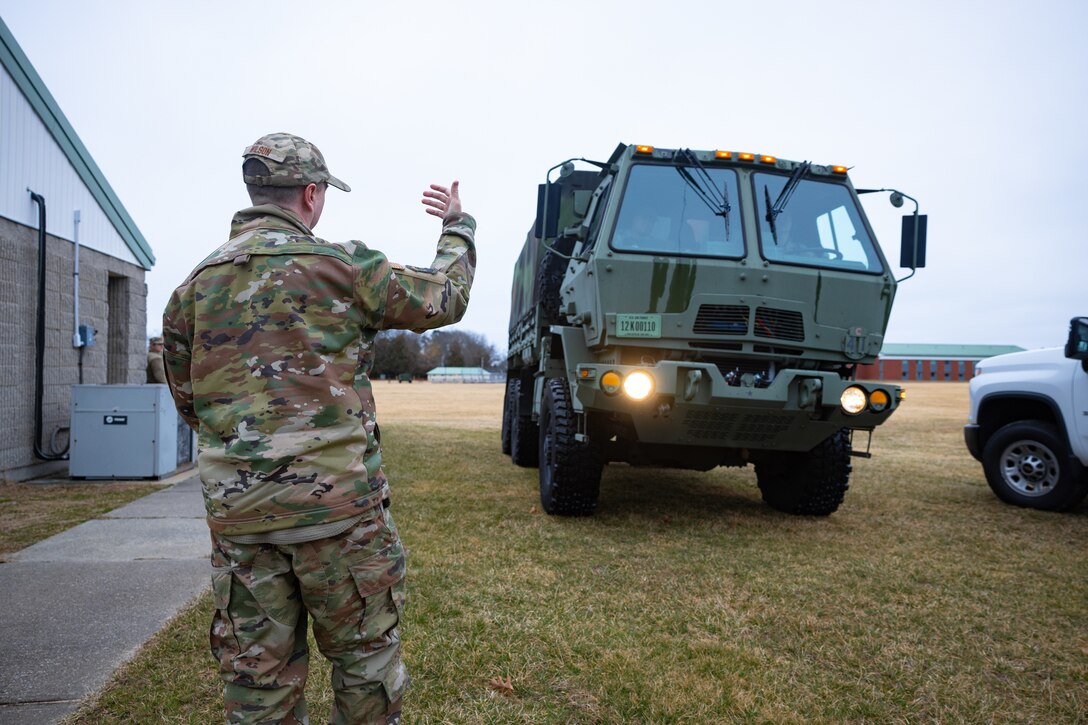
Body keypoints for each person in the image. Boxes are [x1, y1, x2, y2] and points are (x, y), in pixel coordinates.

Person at [162, 132, 476, 725]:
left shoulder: (191, 289)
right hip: (340, 518)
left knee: (258, 682)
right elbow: (445, 298)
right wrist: (458, 229)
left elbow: (191, 401)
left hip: (244, 521)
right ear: (310, 194)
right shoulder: (343, 268)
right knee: (363, 663)